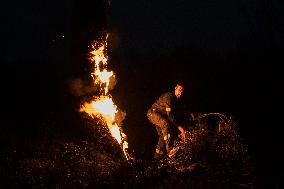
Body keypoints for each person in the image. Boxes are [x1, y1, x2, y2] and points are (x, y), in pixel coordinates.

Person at [147, 82, 186, 159]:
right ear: (175, 88)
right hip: (152, 113)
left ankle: (157, 156)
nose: (180, 93)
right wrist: (181, 128)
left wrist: (179, 133)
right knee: (165, 124)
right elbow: (170, 116)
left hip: (158, 116)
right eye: (179, 90)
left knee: (162, 135)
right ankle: (170, 150)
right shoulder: (169, 97)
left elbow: (173, 118)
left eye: (182, 92)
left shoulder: (175, 101)